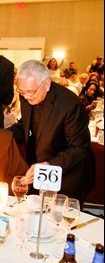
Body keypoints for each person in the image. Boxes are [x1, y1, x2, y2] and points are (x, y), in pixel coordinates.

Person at [9, 59, 94, 202]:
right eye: (21, 91)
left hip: (67, 174)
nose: (26, 96)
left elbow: (79, 149)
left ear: (47, 84)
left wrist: (48, 165)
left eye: (31, 91)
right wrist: (0, 137)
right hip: (39, 170)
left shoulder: (71, 105)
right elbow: (25, 125)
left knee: (57, 219)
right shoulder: (27, 95)